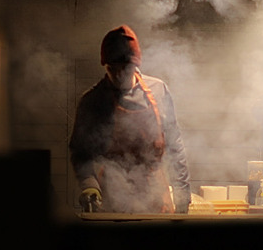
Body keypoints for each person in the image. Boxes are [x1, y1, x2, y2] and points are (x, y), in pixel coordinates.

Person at [69, 25, 191, 214]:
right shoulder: (92, 101)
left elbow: (175, 146)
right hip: (112, 198)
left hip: (155, 198)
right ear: (105, 65)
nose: (119, 75)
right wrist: (89, 185)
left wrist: (183, 195)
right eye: (112, 69)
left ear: (136, 65)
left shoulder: (158, 91)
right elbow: (80, 154)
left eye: (125, 68)